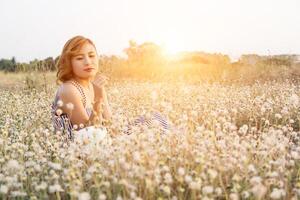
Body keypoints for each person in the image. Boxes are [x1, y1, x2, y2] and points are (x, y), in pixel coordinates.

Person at [51, 35, 112, 141]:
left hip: (103, 145)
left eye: (92, 56)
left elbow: (111, 126)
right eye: (79, 58)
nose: (88, 62)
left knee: (148, 120)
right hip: (76, 153)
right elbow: (90, 135)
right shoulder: (68, 89)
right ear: (69, 63)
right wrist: (98, 99)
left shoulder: (95, 86)